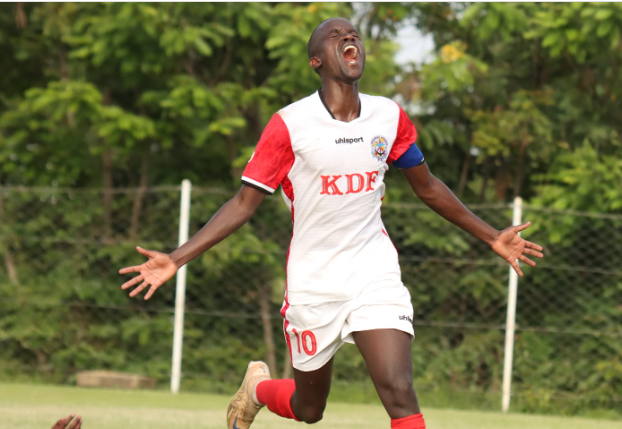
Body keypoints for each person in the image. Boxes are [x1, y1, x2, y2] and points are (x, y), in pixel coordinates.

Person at [119, 17, 543, 429]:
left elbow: (428, 187)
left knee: (399, 390)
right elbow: (244, 204)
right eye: (334, 34)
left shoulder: (389, 117)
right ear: (316, 62)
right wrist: (176, 258)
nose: (348, 35)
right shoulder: (290, 125)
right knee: (309, 409)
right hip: (313, 282)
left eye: (352, 32)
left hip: (372, 272)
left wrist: (492, 235)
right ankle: (257, 390)